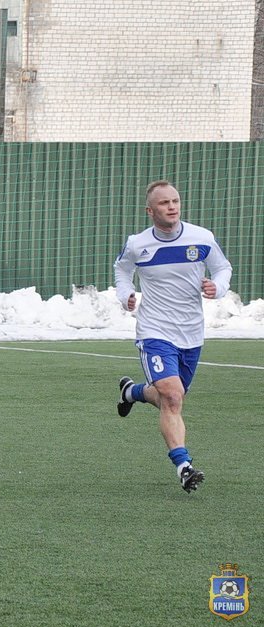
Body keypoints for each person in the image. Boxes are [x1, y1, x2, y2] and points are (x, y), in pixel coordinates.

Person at [114, 180, 232, 493]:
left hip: (191, 332)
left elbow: (223, 268)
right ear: (150, 211)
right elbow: (122, 270)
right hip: (154, 330)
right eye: (164, 203)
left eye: (175, 201)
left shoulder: (202, 238)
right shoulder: (138, 244)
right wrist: (125, 294)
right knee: (172, 394)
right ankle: (183, 465)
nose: (172, 207)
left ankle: (132, 392)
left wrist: (218, 287)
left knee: (172, 398)